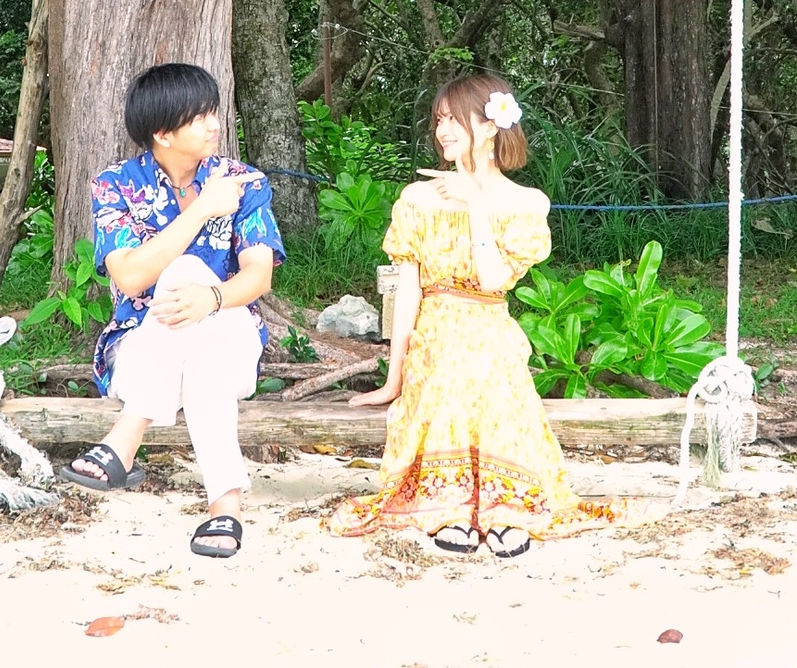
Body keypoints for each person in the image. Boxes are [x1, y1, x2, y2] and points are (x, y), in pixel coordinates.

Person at [329, 71, 656, 555]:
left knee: (490, 365)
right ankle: (451, 505)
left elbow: (492, 281)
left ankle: (507, 506)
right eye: (438, 120)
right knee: (454, 363)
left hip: (491, 330)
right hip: (436, 335)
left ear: (488, 127)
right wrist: (393, 378)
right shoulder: (417, 199)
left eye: (452, 120)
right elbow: (409, 292)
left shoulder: (525, 203)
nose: (442, 130)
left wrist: (475, 206)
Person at [59, 62, 284, 559]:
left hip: (228, 336)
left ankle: (124, 440)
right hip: (141, 350)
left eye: (213, 112)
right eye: (200, 117)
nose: (214, 125)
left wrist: (212, 300)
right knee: (186, 286)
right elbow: (131, 277)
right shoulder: (115, 185)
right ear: (163, 133)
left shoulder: (243, 182)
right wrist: (202, 209)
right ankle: (226, 508)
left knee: (199, 305)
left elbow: (258, 276)